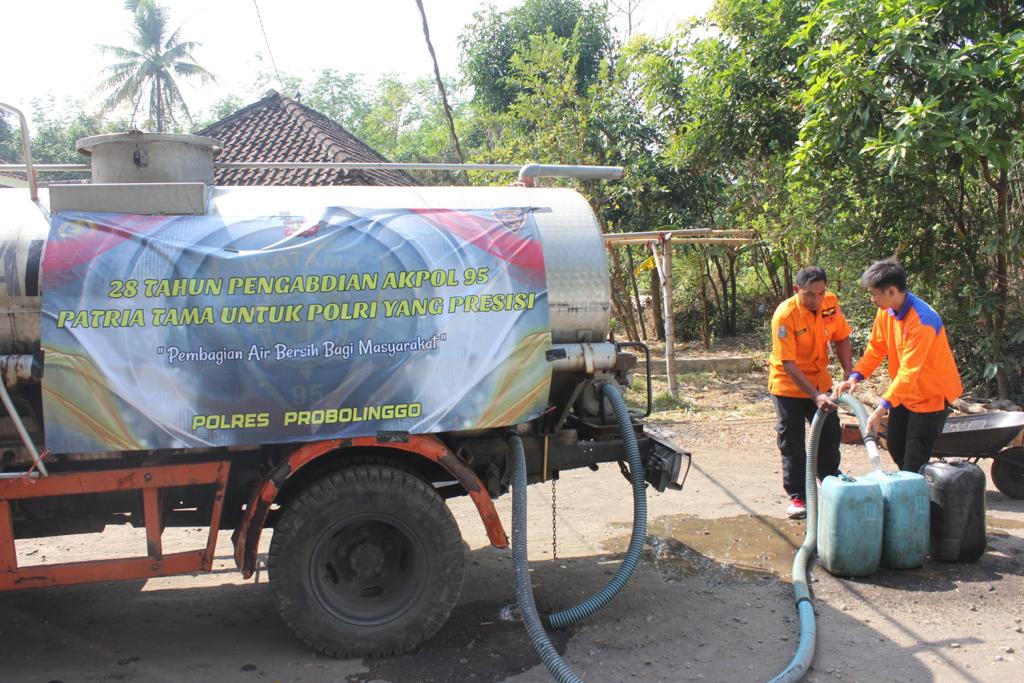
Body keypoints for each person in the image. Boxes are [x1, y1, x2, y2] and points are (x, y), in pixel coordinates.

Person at [833, 258, 962, 474]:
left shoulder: (922, 321)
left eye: (875, 294)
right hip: (904, 394)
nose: (873, 299)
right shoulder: (886, 311)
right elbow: (876, 348)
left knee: (914, 458)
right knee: (895, 444)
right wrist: (855, 377)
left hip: (930, 396)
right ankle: (914, 484)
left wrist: (880, 409)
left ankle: (919, 490)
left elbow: (909, 372)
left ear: (891, 291)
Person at [769, 266, 853, 519]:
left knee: (829, 433)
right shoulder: (785, 315)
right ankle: (798, 495)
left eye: (820, 293)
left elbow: (841, 337)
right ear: (797, 289)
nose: (816, 300)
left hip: (820, 380)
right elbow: (788, 363)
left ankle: (828, 479)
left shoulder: (830, 303)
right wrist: (815, 396)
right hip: (789, 385)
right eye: (809, 295)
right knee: (792, 441)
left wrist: (848, 373)